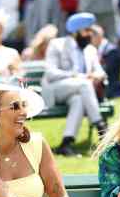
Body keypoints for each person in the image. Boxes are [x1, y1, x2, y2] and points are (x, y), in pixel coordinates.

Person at [41, 13, 109, 157]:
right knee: (84, 85)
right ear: (75, 32)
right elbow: (50, 73)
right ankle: (102, 129)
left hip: (81, 92)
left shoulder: (90, 49)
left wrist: (97, 76)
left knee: (78, 99)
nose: (90, 34)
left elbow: (100, 72)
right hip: (55, 89)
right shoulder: (57, 45)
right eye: (87, 31)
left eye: (91, 31)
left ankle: (66, 143)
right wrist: (75, 76)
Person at [90, 23, 120, 98]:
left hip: (113, 92)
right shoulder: (96, 50)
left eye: (90, 37)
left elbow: (107, 71)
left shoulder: (112, 51)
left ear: (98, 37)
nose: (89, 40)